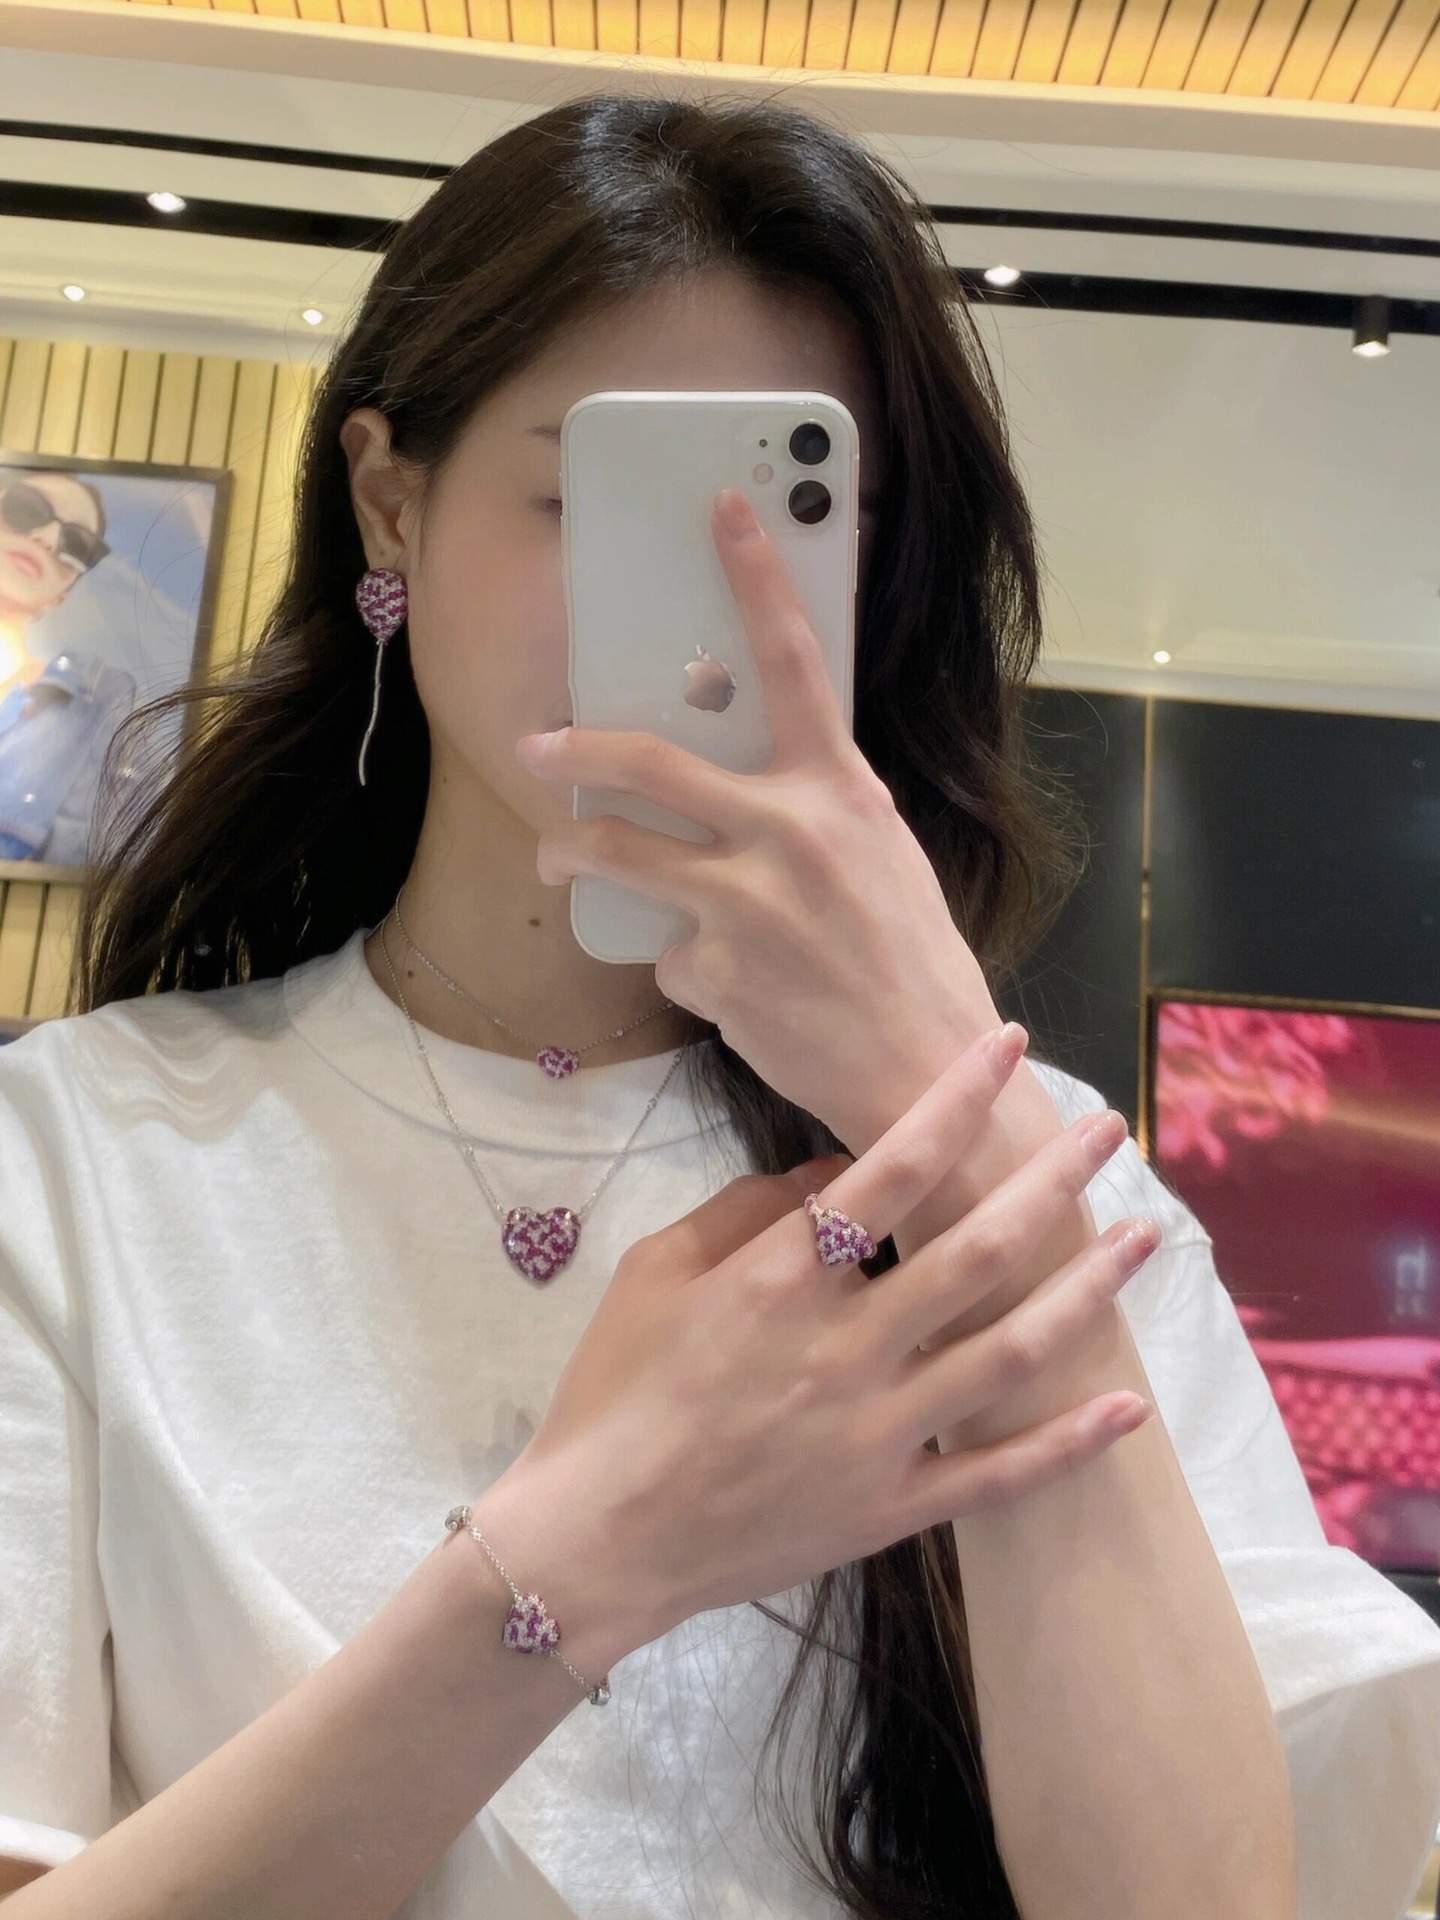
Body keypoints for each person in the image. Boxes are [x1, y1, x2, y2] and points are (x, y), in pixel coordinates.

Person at [0, 91, 1437, 1920]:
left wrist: (962, 1129)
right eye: (603, 504)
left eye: (795, 521)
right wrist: (583, 1559)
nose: (704, 615)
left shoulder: (1049, 1186)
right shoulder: (75, 1162)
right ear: (390, 495)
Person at [0, 467, 135, 866]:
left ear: (62, 594)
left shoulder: (94, 702)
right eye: (26, 509)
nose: (46, 538)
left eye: (76, 544)